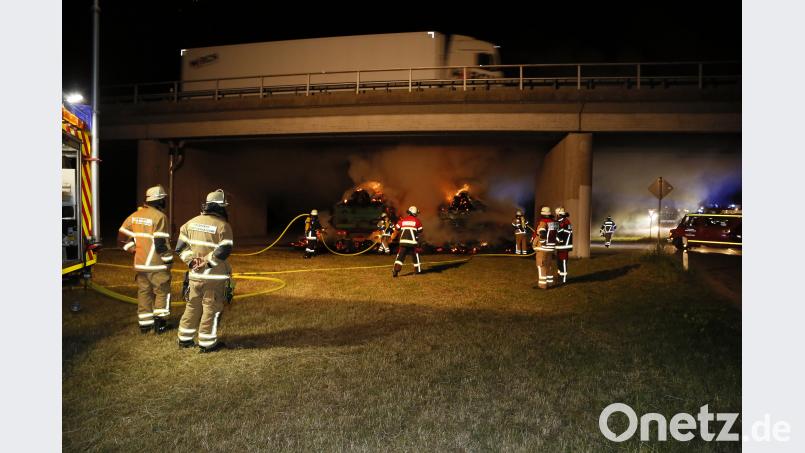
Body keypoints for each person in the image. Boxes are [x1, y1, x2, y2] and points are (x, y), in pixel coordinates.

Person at [175, 189, 234, 353]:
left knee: (192, 306)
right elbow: (224, 251)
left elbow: (180, 248)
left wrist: (192, 261)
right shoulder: (223, 226)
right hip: (213, 278)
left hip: (194, 276)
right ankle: (207, 343)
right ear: (221, 207)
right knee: (211, 308)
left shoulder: (189, 223)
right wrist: (206, 263)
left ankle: (185, 339)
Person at [117, 185, 173, 334]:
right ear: (160, 200)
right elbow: (161, 243)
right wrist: (168, 259)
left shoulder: (135, 215)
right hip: (156, 265)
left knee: (144, 293)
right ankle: (160, 324)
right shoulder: (160, 217)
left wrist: (131, 248)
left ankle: (145, 324)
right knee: (162, 291)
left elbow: (121, 236)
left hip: (141, 264)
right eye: (163, 199)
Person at [532, 206, 559, 289]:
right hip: (550, 249)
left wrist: (542, 244)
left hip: (543, 249)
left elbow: (542, 234)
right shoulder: (553, 223)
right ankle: (550, 283)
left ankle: (542, 285)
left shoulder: (543, 223)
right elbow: (555, 235)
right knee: (548, 265)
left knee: (541, 266)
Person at [392, 206, 423, 277]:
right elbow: (421, 230)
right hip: (413, 242)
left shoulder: (403, 220)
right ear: (415, 213)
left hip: (403, 242)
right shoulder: (417, 220)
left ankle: (395, 270)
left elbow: (397, 227)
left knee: (400, 256)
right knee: (415, 255)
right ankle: (417, 270)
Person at [555, 207, 573, 284]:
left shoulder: (566, 222)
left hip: (564, 246)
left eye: (557, 215)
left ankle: (564, 279)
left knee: (563, 262)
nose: (556, 216)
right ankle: (559, 276)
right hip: (559, 246)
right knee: (559, 262)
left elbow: (567, 232)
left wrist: (559, 237)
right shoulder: (559, 222)